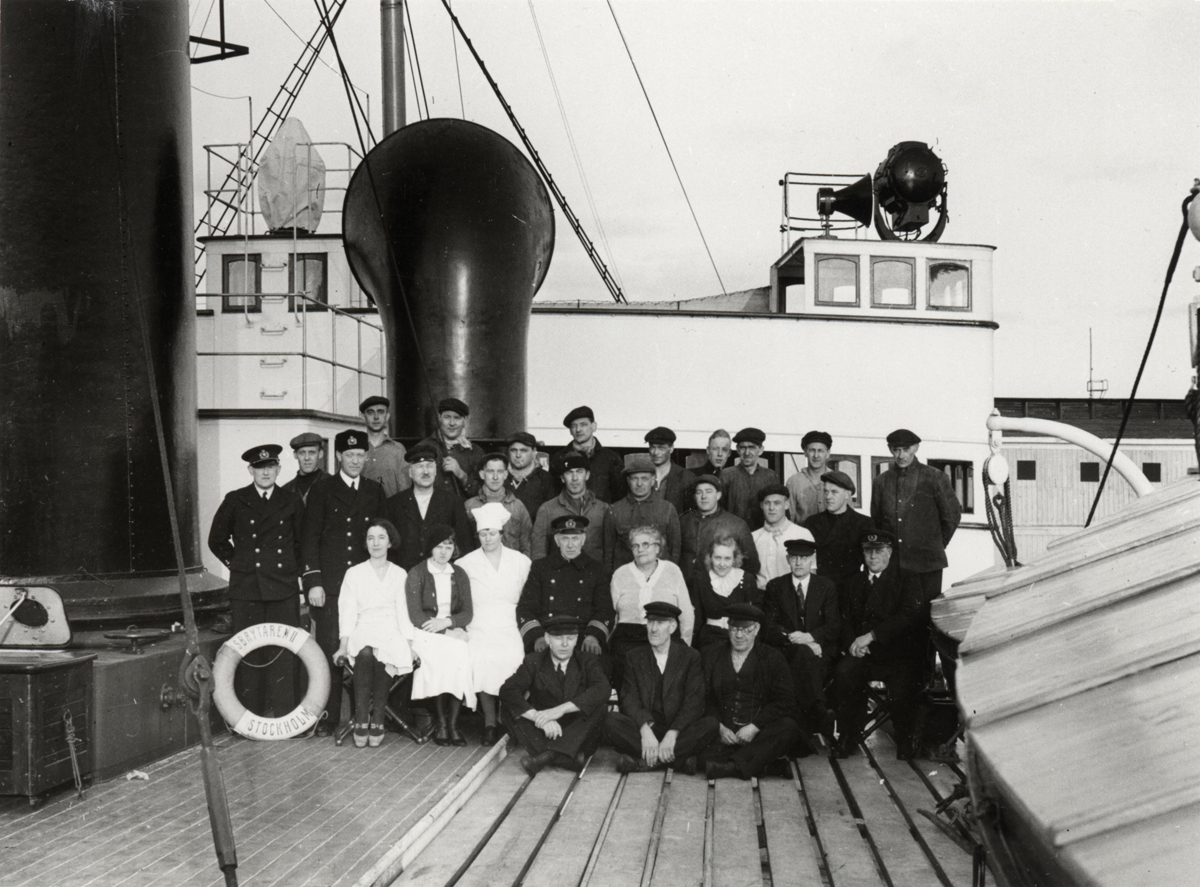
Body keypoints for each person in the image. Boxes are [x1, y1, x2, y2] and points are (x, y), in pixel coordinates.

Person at [301, 429, 388, 735]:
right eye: (349, 455)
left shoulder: (374, 490)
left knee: (368, 648)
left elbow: (382, 537)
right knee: (331, 650)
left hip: (366, 585)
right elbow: (309, 537)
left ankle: (370, 714)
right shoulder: (322, 489)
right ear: (338, 456)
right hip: (332, 586)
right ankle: (329, 717)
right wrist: (313, 581)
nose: (354, 461)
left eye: (360, 455)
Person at [208, 443, 304, 718]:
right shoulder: (236, 499)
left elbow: (301, 542)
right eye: (260, 468)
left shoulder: (291, 500)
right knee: (249, 653)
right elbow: (216, 539)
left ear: (279, 469)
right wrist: (239, 564)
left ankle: (284, 715)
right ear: (250, 470)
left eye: (271, 466)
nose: (265, 472)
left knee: (282, 652)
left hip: (282, 589)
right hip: (247, 589)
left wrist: (289, 571)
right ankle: (251, 718)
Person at [831, 530, 925, 760]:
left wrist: (871, 636)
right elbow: (844, 619)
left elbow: (908, 616)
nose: (873, 557)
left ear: (889, 552)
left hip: (896, 654)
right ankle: (848, 734)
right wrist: (853, 644)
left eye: (879, 551)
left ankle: (905, 738)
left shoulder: (907, 579)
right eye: (868, 551)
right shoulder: (853, 583)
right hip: (862, 653)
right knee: (844, 672)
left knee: (903, 690)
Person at [603, 602, 719, 774]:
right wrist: (645, 731)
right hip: (647, 728)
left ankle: (646, 762)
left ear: (672, 627)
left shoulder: (690, 656)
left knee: (710, 725)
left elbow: (694, 701)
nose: (653, 629)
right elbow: (629, 699)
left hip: (677, 730)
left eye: (660, 623)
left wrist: (673, 734)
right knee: (610, 721)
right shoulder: (634, 656)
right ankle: (677, 759)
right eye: (650, 622)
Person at [334, 520, 415, 748]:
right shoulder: (354, 573)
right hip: (363, 627)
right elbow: (347, 612)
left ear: (390, 542)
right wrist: (343, 645)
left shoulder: (400, 574)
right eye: (371, 538)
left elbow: (404, 613)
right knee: (366, 651)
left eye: (381, 537)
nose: (376, 543)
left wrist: (409, 645)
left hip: (391, 629)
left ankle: (377, 717)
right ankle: (362, 717)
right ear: (366, 543)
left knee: (384, 651)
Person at [700, 603, 802, 779]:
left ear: (757, 629)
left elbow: (785, 702)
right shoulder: (711, 655)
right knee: (697, 738)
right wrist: (720, 728)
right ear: (727, 628)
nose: (739, 635)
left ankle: (731, 767)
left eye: (746, 630)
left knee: (788, 727)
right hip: (724, 734)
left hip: (757, 734)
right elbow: (704, 698)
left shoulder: (773, 657)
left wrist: (755, 727)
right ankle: (767, 765)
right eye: (734, 629)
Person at [458, 502, 532, 745]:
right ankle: (490, 723)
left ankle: (511, 720)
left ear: (501, 533)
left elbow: (528, 597)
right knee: (481, 658)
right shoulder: (466, 563)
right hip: (479, 622)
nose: (487, 539)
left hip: (511, 622)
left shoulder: (520, 561)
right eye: (482, 534)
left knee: (514, 658)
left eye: (491, 533)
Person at [500, 615, 611, 775]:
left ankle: (547, 757)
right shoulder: (534, 661)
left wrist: (561, 710)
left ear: (576, 639)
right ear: (547, 638)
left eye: (570, 638)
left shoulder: (587, 661)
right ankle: (566, 758)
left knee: (600, 707)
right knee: (509, 707)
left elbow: (603, 689)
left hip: (577, 733)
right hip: (545, 731)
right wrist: (539, 718)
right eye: (558, 638)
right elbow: (508, 690)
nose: (565, 644)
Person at [870, 429, 963, 606]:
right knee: (896, 613)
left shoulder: (935, 477)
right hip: (894, 565)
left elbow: (952, 515)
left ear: (915, 448)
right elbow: (877, 521)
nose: (901, 455)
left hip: (927, 564)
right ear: (890, 450)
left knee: (925, 614)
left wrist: (936, 543)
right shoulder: (881, 482)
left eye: (906, 449)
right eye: (896, 450)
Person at [761, 536, 841, 742]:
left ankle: (799, 732)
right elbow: (769, 626)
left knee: (803, 665)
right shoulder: (775, 586)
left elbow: (834, 625)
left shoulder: (826, 586)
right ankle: (818, 709)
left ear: (812, 560)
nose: (798, 563)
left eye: (804, 558)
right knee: (801, 656)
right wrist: (800, 641)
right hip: (786, 650)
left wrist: (811, 637)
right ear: (788, 559)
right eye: (794, 557)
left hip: (820, 651)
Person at [405, 523, 477, 745]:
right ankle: (441, 724)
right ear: (431, 549)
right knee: (438, 656)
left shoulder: (459, 573)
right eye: (439, 547)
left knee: (460, 653)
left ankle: (453, 724)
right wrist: (445, 631)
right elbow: (415, 614)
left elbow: (468, 612)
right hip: (425, 631)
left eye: (448, 546)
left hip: (451, 629)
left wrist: (449, 623)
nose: (444, 552)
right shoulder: (417, 573)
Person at [609, 526, 694, 689]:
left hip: (665, 636)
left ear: (657, 548)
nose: (640, 550)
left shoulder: (672, 570)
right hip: (628, 638)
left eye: (645, 544)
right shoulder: (620, 573)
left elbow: (686, 613)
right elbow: (612, 614)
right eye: (635, 546)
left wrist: (684, 645)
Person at [518, 514, 614, 655]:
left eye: (575, 538)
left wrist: (593, 636)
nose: (570, 545)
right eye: (565, 539)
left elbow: (605, 610)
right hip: (548, 638)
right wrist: (537, 637)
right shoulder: (541, 568)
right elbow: (526, 608)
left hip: (582, 639)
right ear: (557, 540)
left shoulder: (597, 570)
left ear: (583, 539)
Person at [388, 443, 474, 570]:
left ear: (436, 471)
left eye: (430, 466)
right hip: (405, 574)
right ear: (410, 472)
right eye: (420, 466)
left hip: (442, 574)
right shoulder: (394, 503)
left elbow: (465, 544)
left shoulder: (452, 502)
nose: (426, 471)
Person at [603, 454, 682, 571]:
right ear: (628, 481)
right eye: (634, 478)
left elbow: (675, 550)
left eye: (644, 478)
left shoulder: (667, 509)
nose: (639, 484)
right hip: (627, 577)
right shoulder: (614, 510)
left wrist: (668, 575)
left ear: (653, 480)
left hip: (658, 576)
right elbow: (608, 553)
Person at [531, 451, 610, 563]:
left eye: (579, 472)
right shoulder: (547, 509)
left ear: (587, 475)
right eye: (569, 472)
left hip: (593, 573)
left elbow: (609, 552)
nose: (574, 478)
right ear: (562, 478)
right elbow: (538, 553)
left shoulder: (603, 509)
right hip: (559, 572)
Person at [679, 475, 758, 586]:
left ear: (718, 495)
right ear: (694, 496)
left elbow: (751, 565)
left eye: (709, 491)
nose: (703, 496)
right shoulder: (683, 521)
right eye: (699, 492)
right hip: (685, 586)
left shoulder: (737, 524)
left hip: (719, 588)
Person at [804, 470, 873, 591]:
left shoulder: (863, 523)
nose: (828, 497)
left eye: (834, 492)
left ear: (847, 494)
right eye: (826, 491)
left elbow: (870, 563)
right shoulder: (812, 522)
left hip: (850, 590)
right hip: (819, 589)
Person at [691, 535, 761, 650]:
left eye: (727, 558)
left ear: (734, 559)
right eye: (717, 558)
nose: (722, 564)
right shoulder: (701, 579)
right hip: (710, 638)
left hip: (741, 637)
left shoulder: (747, 579)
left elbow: (755, 618)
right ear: (710, 557)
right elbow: (697, 619)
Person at [465, 453, 533, 558]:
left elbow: (527, 545)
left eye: (500, 472)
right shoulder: (470, 506)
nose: (495, 477)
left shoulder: (517, 506)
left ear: (505, 474)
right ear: (482, 474)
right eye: (490, 471)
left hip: (511, 565)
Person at [419, 397, 486, 500]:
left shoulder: (475, 452)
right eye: (447, 417)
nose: (452, 423)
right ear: (439, 418)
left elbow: (483, 493)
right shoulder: (422, 448)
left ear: (465, 420)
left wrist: (461, 474)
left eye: (457, 418)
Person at [558, 405, 625, 503]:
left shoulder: (611, 458)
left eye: (583, 424)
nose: (578, 429)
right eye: (573, 426)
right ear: (570, 431)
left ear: (594, 426)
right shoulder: (559, 458)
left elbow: (620, 497)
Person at [720, 428, 780, 531]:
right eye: (743, 448)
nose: (747, 453)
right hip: (733, 534)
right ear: (737, 450)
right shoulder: (726, 475)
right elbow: (719, 509)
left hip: (763, 534)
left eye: (751, 447)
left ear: (761, 450)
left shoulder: (770, 476)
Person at [752, 484, 809, 589]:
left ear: (786, 504)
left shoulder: (802, 534)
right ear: (761, 505)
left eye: (777, 503)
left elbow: (811, 578)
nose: (771, 508)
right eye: (767, 503)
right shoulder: (753, 537)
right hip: (761, 596)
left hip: (792, 595)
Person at [359, 396, 411, 497]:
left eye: (381, 412)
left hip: (390, 506)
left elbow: (405, 488)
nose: (376, 417)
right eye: (370, 412)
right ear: (362, 417)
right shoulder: (356, 450)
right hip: (361, 507)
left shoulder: (398, 449)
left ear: (387, 416)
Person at [505, 431, 555, 521]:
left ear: (534, 451)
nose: (518, 455)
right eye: (513, 450)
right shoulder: (499, 476)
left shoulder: (545, 478)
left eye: (523, 450)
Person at [645, 426, 695, 516]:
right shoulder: (642, 475)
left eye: (661, 448)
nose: (656, 452)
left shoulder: (686, 477)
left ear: (671, 448)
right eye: (653, 447)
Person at [786, 431, 832, 525]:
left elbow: (849, 517)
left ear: (827, 453)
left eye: (820, 451)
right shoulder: (794, 481)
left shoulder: (837, 480)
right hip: (802, 533)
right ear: (805, 452)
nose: (816, 455)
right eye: (812, 450)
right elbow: (789, 519)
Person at [281, 432, 326, 503]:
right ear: (295, 455)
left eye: (311, 453)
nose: (307, 458)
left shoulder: (333, 485)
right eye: (302, 453)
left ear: (320, 454)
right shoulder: (286, 490)